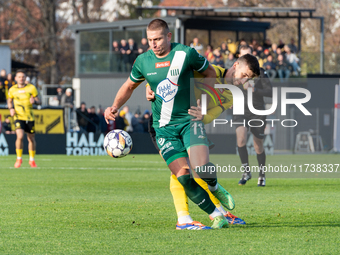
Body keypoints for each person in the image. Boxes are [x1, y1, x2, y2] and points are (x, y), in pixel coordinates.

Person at [104, 18, 237, 230]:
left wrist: (203, 102)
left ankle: (214, 185)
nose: (153, 44)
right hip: (164, 129)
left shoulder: (186, 53)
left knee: (201, 167)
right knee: (183, 176)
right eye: (149, 40)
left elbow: (209, 73)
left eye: (157, 39)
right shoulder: (142, 61)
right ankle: (215, 215)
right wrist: (114, 106)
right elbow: (129, 86)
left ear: (168, 36)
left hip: (189, 121)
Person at [146, 60, 260, 226]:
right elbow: (161, 67)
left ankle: (219, 213)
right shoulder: (206, 70)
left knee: (197, 169)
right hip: (164, 122)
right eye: (243, 75)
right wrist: (148, 85)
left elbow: (211, 115)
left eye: (247, 79)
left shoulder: (233, 94)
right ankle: (185, 219)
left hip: (189, 125)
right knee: (180, 171)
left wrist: (202, 116)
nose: (243, 81)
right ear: (236, 65)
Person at [235, 45, 273, 187]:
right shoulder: (234, 73)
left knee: (258, 145)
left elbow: (270, 91)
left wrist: (255, 89)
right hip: (240, 110)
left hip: (257, 111)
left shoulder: (261, 73)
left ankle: (261, 175)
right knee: (241, 139)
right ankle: (246, 172)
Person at [7, 69, 40, 168]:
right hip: (18, 116)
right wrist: (11, 108)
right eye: (19, 77)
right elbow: (9, 101)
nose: (21, 79)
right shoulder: (12, 89)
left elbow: (39, 100)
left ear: (25, 78)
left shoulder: (31, 88)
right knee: (20, 136)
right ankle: (19, 158)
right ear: (16, 78)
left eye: (23, 77)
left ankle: (32, 160)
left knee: (31, 138)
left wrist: (35, 100)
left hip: (29, 117)